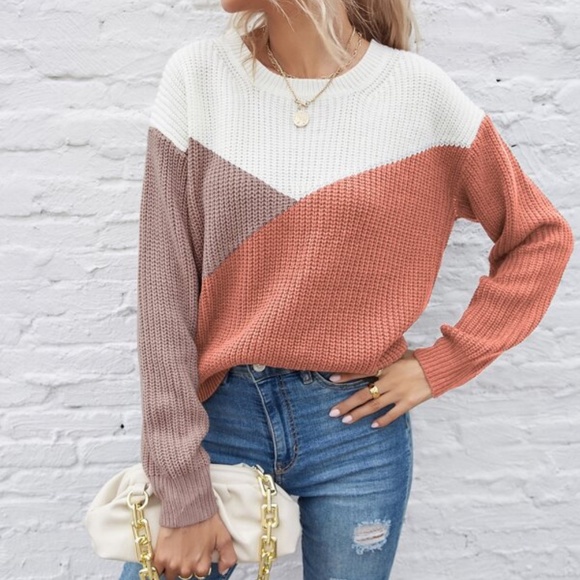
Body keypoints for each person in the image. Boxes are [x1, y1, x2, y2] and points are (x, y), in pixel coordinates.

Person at [118, 0, 574, 578]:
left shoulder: (420, 95)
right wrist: (180, 486)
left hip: (358, 429)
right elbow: (164, 296)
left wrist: (441, 364)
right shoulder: (200, 76)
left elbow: (540, 237)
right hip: (218, 418)